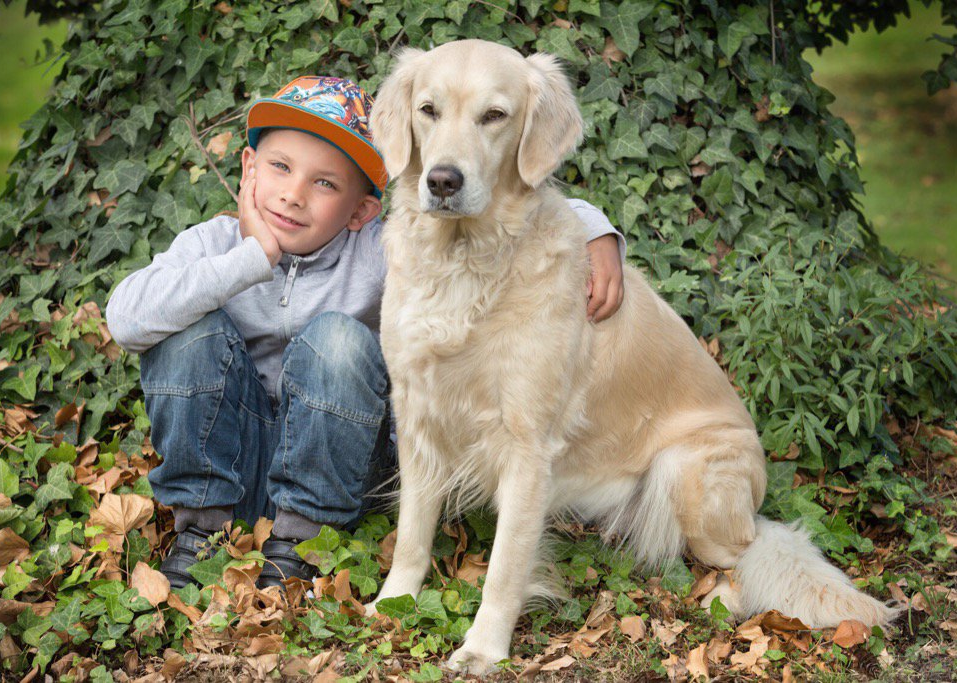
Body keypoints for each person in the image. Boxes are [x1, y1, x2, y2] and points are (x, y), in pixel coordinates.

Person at [105, 76, 626, 590]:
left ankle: (301, 547)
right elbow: (127, 319)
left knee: (338, 338)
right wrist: (252, 258)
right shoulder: (212, 244)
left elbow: (507, 218)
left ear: (362, 211)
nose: (292, 195)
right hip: (232, 460)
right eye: (280, 168)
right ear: (248, 169)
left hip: (341, 471)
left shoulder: (384, 251)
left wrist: (593, 230)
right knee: (183, 334)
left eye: (324, 183)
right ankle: (201, 534)